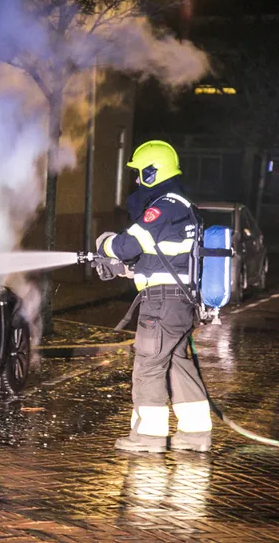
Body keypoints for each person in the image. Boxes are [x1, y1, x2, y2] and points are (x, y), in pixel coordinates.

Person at [96, 140, 212, 453]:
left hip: (161, 304)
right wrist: (130, 271)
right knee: (177, 364)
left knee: (148, 366)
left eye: (139, 173)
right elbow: (161, 255)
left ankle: (148, 437)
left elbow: (126, 246)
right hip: (180, 302)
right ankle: (196, 434)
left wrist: (105, 245)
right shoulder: (183, 206)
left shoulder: (163, 207)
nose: (136, 180)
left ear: (152, 171)